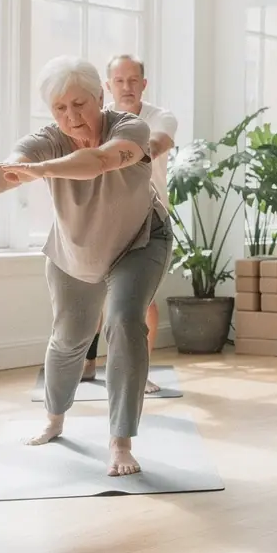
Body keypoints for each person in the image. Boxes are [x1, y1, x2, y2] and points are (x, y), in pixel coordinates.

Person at [0, 57, 172, 476]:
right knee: (69, 338)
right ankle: (54, 418)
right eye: (60, 109)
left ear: (100, 96)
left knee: (125, 321)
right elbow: (3, 173)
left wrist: (39, 170)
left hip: (140, 239)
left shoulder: (130, 129)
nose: (72, 117)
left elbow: (101, 161)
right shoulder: (46, 140)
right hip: (75, 247)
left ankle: (120, 440)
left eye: (80, 104)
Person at [76, 55, 179, 393]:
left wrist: (127, 151)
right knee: (95, 295)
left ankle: (140, 371)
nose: (127, 87)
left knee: (140, 301)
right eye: (119, 81)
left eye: (133, 80)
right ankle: (89, 361)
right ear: (108, 86)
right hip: (104, 218)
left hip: (148, 221)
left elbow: (160, 142)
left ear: (144, 84)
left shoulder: (159, 117)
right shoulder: (100, 121)